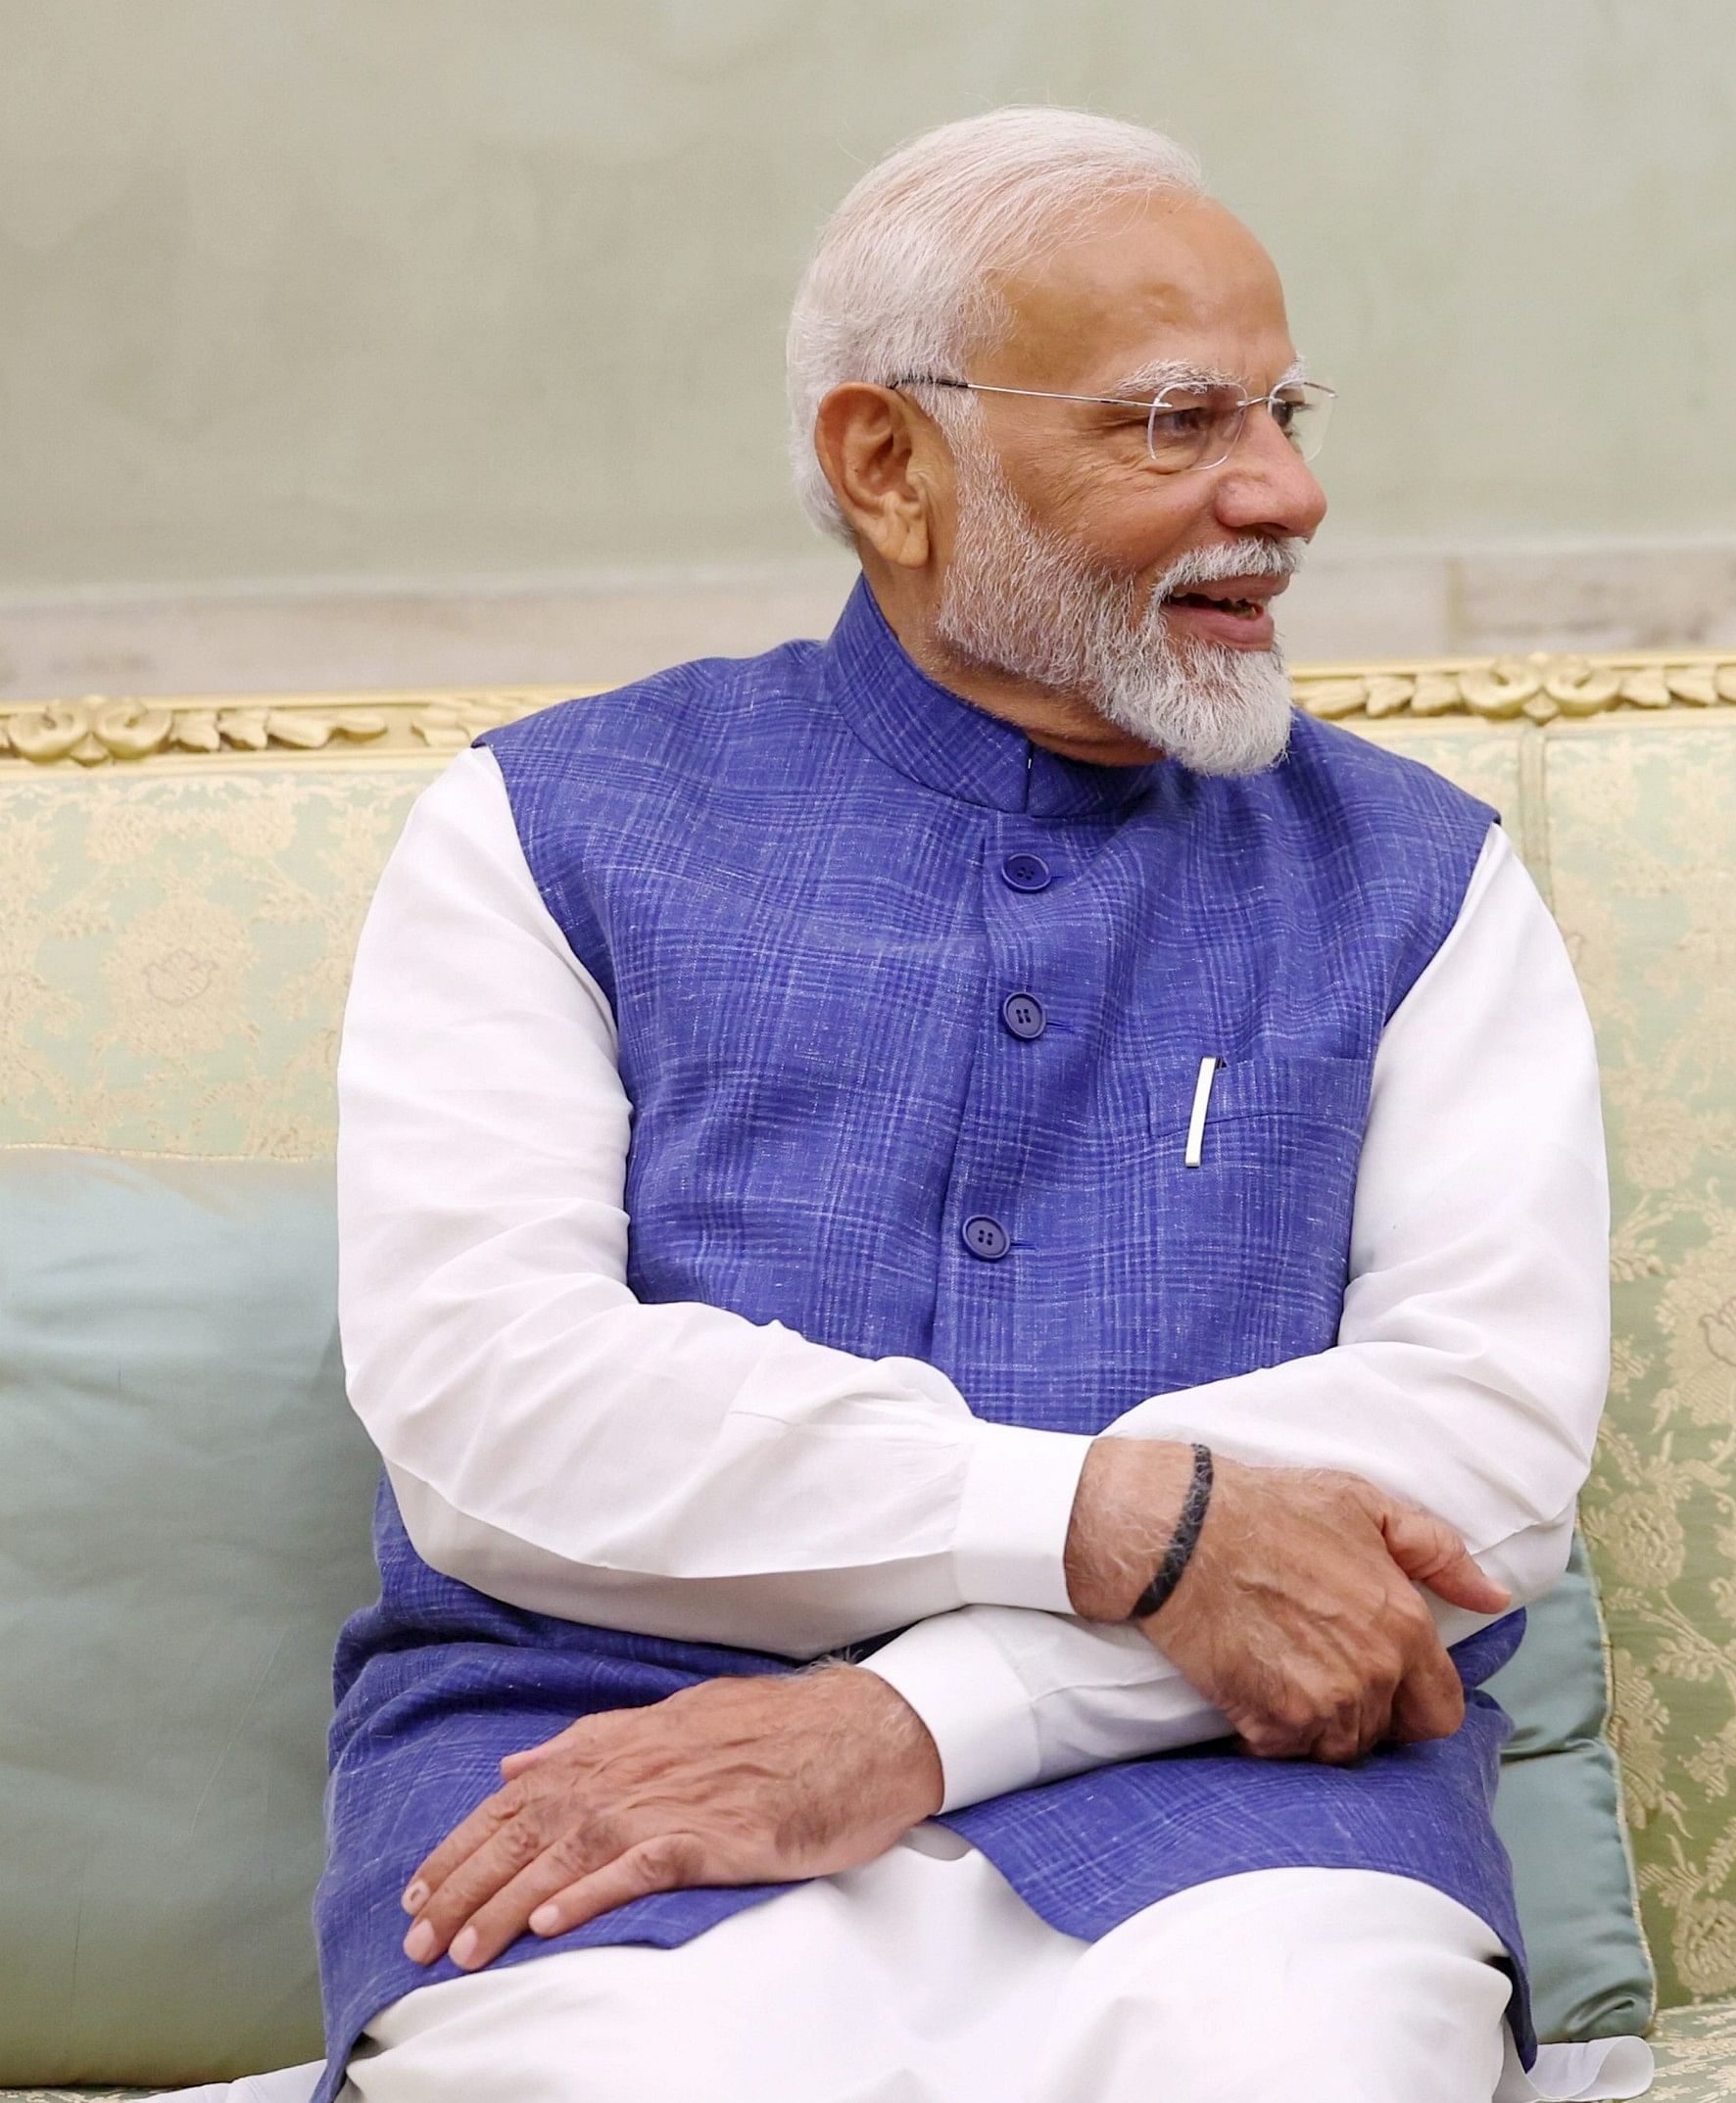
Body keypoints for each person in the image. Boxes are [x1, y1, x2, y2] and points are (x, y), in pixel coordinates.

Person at [289, 108, 1644, 2103]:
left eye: (1281, 408)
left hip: (1244, 1822)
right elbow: (499, 1411)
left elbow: (1478, 1460)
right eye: (1177, 422)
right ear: (889, 465)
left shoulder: (1422, 881)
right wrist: (1106, 1519)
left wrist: (929, 1719)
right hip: (600, 1798)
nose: (1286, 492)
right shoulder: (539, 830)